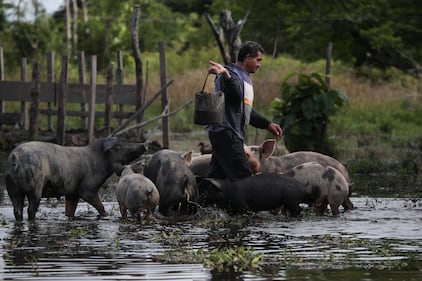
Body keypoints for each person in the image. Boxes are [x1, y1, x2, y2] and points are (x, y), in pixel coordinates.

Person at [206, 41, 283, 181]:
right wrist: (226, 75)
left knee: (216, 177)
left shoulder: (244, 78)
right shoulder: (229, 75)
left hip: (225, 134)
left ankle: (200, 201)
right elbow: (235, 96)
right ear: (248, 58)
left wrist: (267, 124)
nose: (259, 64)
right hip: (227, 133)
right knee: (245, 177)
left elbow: (246, 111)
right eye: (257, 60)